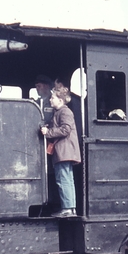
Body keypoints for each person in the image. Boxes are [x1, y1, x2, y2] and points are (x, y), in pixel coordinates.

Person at [40, 88, 81, 218]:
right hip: (64, 151)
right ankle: (70, 208)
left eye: (53, 98)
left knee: (63, 180)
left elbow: (65, 129)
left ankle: (67, 208)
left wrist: (48, 132)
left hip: (63, 151)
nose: (50, 99)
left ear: (60, 100)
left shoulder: (65, 112)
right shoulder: (60, 112)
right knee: (67, 180)